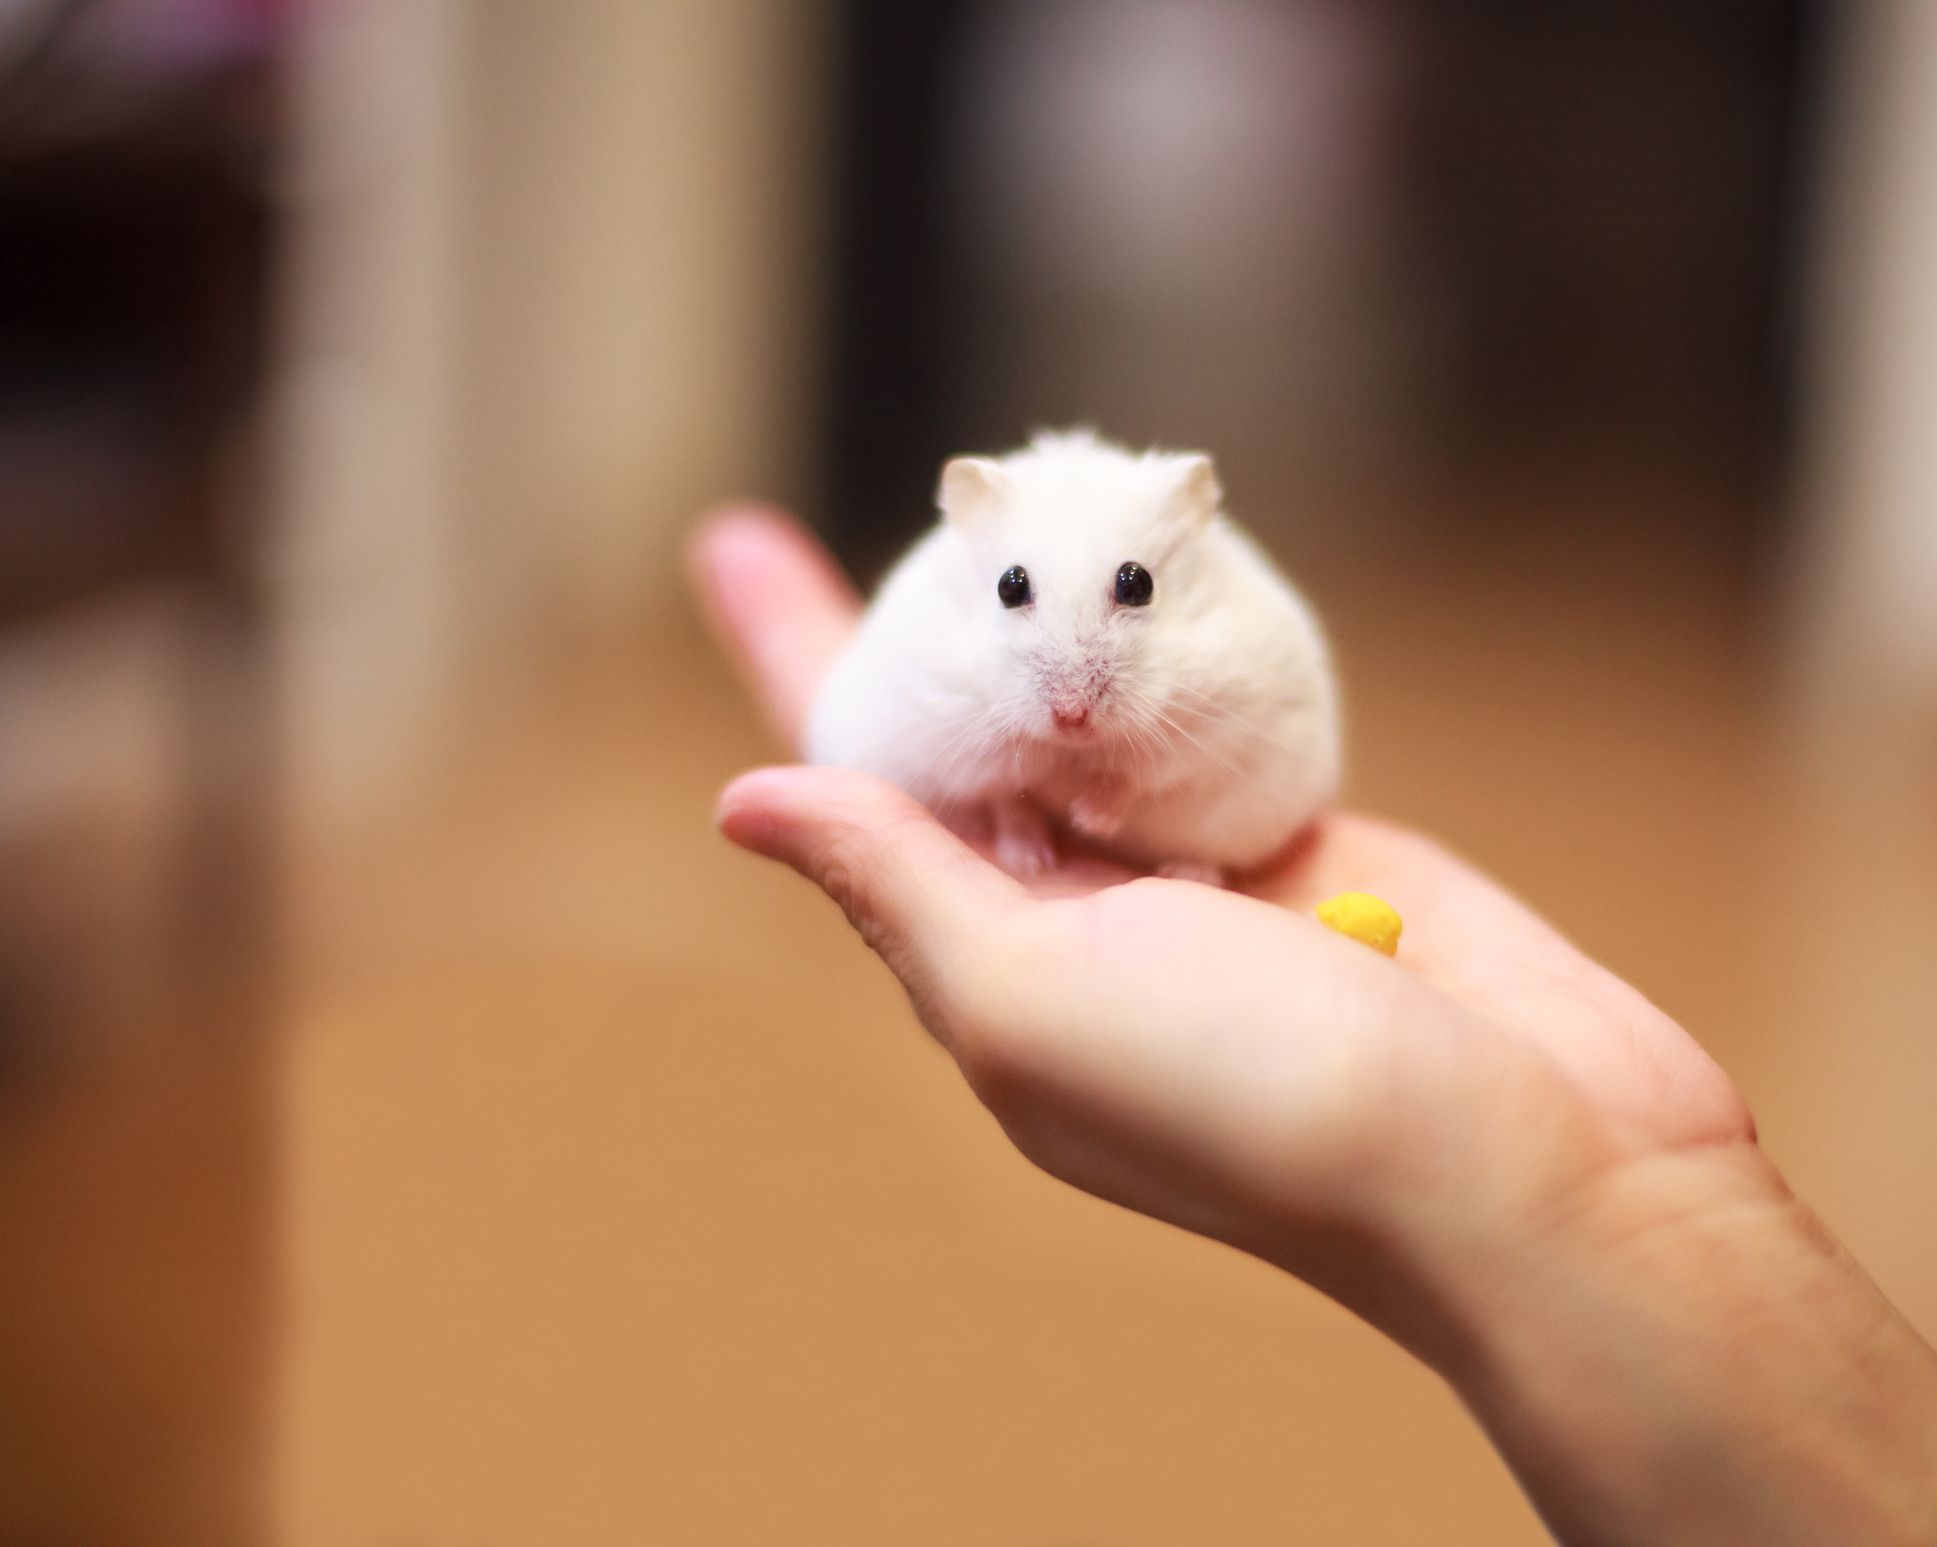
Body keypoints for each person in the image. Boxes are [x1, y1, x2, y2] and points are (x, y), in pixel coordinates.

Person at [690, 505, 1937, 1547]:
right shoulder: (940, 630)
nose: (1071, 689)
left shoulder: (1239, 637)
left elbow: (1260, 757)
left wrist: (1615, 1207)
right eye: (1018, 596)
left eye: (1128, 592)